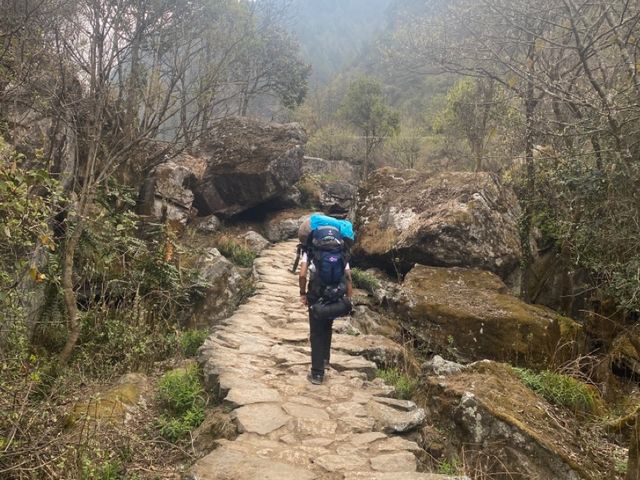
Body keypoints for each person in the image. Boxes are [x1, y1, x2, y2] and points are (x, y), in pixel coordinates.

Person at [299, 247, 353, 385]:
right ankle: (325, 360)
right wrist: (349, 298)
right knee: (328, 325)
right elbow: (348, 276)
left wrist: (303, 293)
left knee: (316, 332)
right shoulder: (339, 251)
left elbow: (303, 275)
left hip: (316, 295)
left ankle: (317, 373)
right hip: (334, 294)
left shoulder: (310, 250)